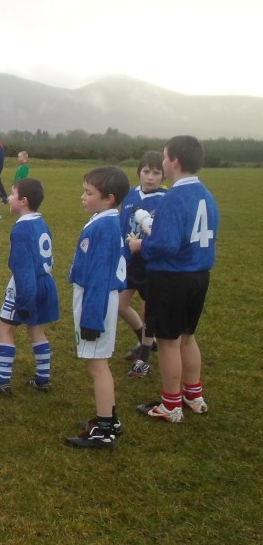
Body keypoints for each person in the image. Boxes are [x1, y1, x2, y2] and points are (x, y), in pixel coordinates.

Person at [129, 135, 218, 423]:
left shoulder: (174, 197)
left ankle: (170, 405)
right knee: (188, 338)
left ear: (175, 162)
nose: (163, 163)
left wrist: (140, 245)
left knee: (167, 341)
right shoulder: (207, 195)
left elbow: (165, 245)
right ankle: (194, 396)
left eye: (165, 158)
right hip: (199, 276)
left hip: (171, 277)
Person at [65, 166, 130, 449]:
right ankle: (110, 418)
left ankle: (104, 428)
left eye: (89, 193)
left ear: (109, 199)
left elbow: (101, 276)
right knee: (96, 362)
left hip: (97, 301)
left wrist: (92, 318)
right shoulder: (102, 220)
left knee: (97, 364)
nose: (83, 196)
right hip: (94, 297)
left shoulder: (105, 226)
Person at [0, 178, 59, 395]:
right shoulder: (41, 222)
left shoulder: (21, 229)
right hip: (46, 281)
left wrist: (24, 300)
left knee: (4, 329)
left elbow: (23, 269)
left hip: (26, 285)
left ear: (23, 201)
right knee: (36, 329)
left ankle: (2, 381)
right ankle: (43, 378)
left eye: (12, 195)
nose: (9, 198)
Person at [118, 152, 166, 378]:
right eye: (146, 172)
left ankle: (144, 357)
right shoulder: (129, 195)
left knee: (151, 310)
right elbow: (120, 226)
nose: (150, 177)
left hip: (152, 263)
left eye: (156, 173)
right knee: (120, 304)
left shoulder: (166, 198)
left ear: (163, 175)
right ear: (139, 172)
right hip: (129, 261)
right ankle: (145, 341)